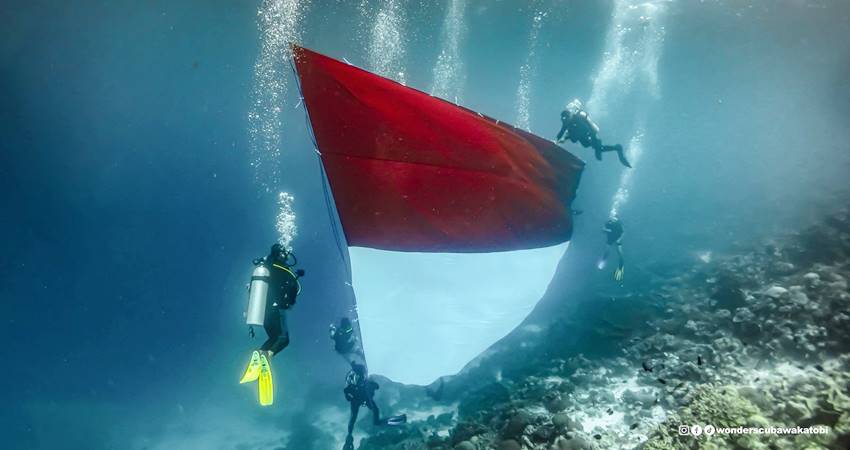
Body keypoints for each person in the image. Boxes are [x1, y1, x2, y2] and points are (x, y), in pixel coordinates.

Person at [240, 244, 305, 406]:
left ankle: (260, 354)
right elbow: (292, 289)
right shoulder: (281, 267)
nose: (286, 256)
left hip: (262, 312)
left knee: (274, 337)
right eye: (284, 253)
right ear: (280, 254)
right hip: (276, 309)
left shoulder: (265, 267)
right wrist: (295, 282)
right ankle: (266, 357)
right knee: (283, 339)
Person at [342, 362, 407, 450]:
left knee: (359, 418)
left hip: (362, 399)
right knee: (356, 418)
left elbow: (375, 386)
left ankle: (349, 436)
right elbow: (347, 392)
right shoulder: (355, 381)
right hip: (359, 400)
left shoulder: (361, 379)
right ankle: (349, 436)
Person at [556, 99, 631, 168]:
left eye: (565, 118)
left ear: (569, 116)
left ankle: (617, 147)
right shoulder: (566, 123)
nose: (564, 120)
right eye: (563, 118)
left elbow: (587, 129)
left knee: (599, 151)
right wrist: (557, 141)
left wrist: (591, 139)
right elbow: (561, 132)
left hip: (590, 136)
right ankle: (604, 147)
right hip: (583, 137)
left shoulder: (577, 119)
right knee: (596, 152)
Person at [598, 217, 625, 282]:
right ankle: (602, 262)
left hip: (617, 239)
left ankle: (620, 268)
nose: (613, 219)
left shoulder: (619, 223)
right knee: (606, 252)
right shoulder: (608, 222)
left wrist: (619, 239)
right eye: (612, 217)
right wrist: (607, 230)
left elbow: (623, 232)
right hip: (610, 239)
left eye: (615, 217)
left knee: (620, 254)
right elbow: (602, 230)